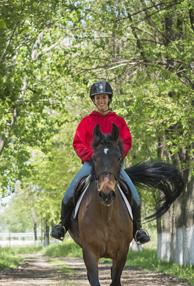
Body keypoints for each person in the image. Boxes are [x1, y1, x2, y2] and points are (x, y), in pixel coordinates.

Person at [49, 81, 150, 245]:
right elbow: (78, 143)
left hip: (113, 167)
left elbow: (127, 141)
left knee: (135, 197)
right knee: (68, 194)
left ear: (109, 99)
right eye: (97, 98)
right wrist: (92, 156)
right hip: (91, 165)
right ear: (94, 100)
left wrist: (114, 159)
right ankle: (62, 225)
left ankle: (138, 230)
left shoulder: (119, 121)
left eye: (104, 97)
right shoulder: (86, 122)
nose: (101, 101)